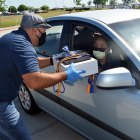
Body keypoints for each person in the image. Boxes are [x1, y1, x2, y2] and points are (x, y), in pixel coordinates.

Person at [0, 13, 85, 140]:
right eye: (44, 31)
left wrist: (53, 59)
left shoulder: (12, 38)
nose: (45, 35)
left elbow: (30, 62)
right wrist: (66, 74)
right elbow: (34, 82)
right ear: (35, 30)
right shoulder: (23, 46)